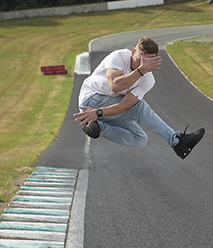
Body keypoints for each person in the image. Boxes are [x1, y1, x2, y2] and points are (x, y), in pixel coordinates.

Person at [74, 36, 204, 159]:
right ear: (133, 52)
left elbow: (124, 106)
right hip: (90, 101)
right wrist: (141, 70)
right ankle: (177, 141)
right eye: (139, 60)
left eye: (148, 62)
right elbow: (115, 86)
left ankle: (96, 127)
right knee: (140, 107)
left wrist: (98, 114)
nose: (142, 65)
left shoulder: (148, 80)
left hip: (98, 113)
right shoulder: (118, 57)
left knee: (140, 139)